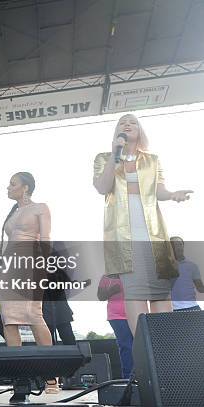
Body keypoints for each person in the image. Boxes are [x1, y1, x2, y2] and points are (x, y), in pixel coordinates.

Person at [93, 114, 193, 334]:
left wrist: (173, 194)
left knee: (161, 292)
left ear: (140, 130)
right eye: (122, 122)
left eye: (132, 122)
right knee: (135, 292)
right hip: (124, 239)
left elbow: (160, 191)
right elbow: (102, 187)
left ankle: (166, 350)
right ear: (117, 131)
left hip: (153, 235)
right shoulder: (104, 158)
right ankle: (146, 352)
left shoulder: (152, 159)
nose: (127, 124)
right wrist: (114, 156)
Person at [0, 172, 57, 392]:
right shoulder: (13, 211)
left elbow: (46, 239)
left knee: (34, 314)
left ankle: (51, 377)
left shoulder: (40, 207)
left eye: (12, 184)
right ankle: (20, 377)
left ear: (25, 187)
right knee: (9, 319)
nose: (8, 187)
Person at [97, 275, 133, 379]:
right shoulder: (106, 277)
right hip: (117, 317)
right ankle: (128, 377)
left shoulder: (132, 274)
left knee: (138, 345)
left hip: (135, 314)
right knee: (126, 346)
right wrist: (112, 291)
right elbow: (100, 296)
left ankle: (142, 375)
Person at [170, 236, 203, 311]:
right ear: (170, 248)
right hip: (174, 309)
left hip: (193, 307)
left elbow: (200, 288)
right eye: (174, 245)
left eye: (180, 244)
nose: (178, 247)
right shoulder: (165, 267)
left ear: (183, 246)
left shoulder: (192, 266)